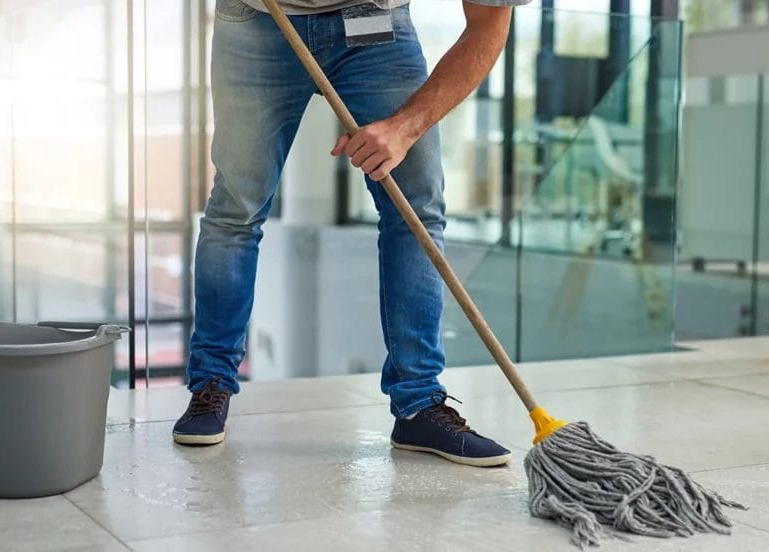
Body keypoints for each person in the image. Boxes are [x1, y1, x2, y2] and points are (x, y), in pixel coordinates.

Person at [171, 0, 527, 468]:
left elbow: (487, 27)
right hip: (259, 19)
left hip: (374, 21)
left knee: (415, 210)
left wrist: (404, 128)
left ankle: (419, 402)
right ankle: (211, 384)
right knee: (236, 208)